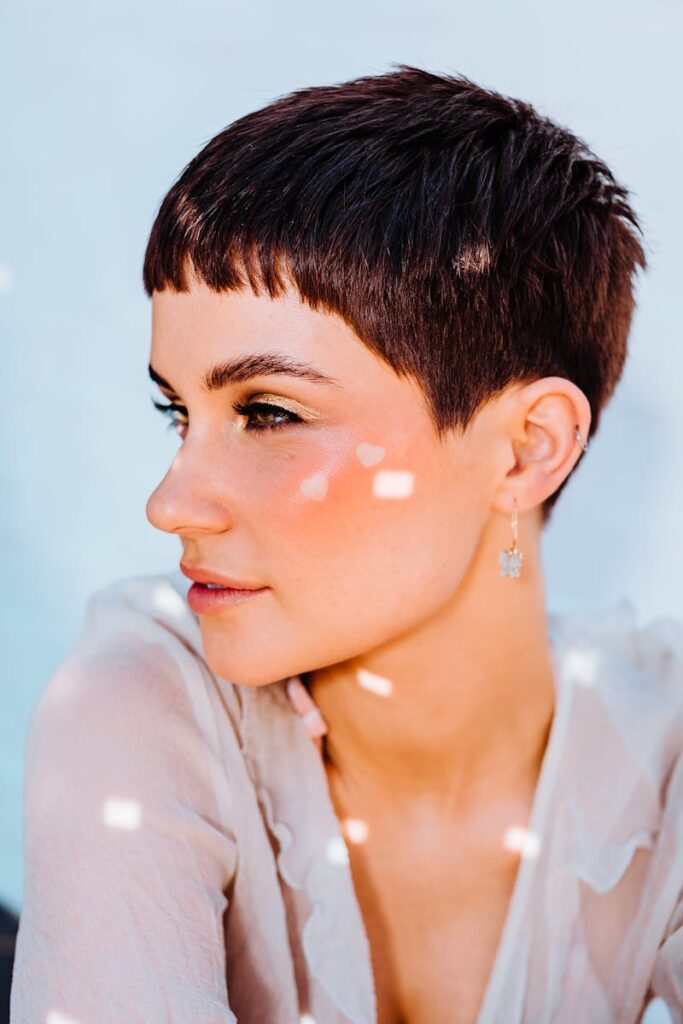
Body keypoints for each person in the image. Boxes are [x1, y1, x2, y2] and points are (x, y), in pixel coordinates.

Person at [10, 65, 682, 1024]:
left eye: (269, 411)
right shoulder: (142, 692)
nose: (170, 505)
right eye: (179, 412)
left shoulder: (663, 771)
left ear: (526, 449)